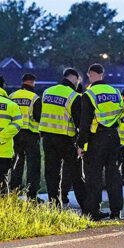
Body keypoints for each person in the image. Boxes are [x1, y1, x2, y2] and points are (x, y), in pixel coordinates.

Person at [77, 64, 124, 221]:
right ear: (102, 74)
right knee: (113, 174)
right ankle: (116, 211)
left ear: (90, 75)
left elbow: (85, 123)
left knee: (93, 176)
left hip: (96, 139)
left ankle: (94, 211)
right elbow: (121, 115)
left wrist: (80, 143)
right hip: (113, 136)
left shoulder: (89, 94)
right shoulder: (115, 92)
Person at [40, 68, 87, 209]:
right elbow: (79, 122)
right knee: (76, 175)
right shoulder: (73, 96)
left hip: (47, 138)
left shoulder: (47, 92)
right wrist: (81, 142)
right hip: (66, 139)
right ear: (74, 78)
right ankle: (87, 208)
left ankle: (55, 205)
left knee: (52, 173)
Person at [9, 73, 43, 200]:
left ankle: (13, 192)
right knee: (33, 166)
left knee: (16, 164)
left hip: (14, 134)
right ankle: (32, 195)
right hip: (30, 135)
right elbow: (39, 117)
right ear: (33, 83)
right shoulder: (34, 97)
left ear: (22, 82)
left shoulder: (11, 96)